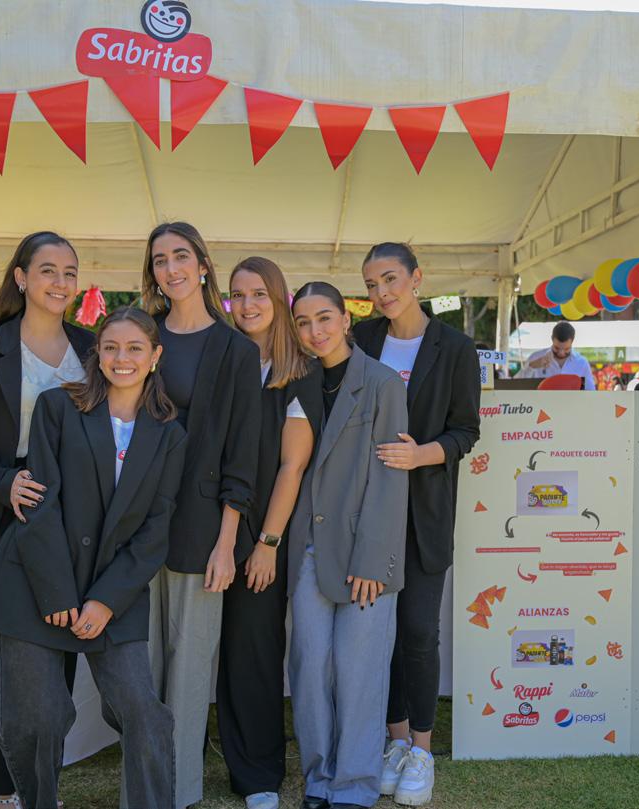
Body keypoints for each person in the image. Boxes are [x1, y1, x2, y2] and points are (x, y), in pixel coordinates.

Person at [0, 307, 185, 809]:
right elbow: (40, 505)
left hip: (113, 591)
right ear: (97, 355)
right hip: (35, 583)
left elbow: (155, 529)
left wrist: (105, 601)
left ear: (155, 356)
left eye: (135, 348)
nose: (122, 358)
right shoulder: (57, 407)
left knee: (143, 711)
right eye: (110, 347)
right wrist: (59, 594)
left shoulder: (169, 434)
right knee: (38, 718)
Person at [0, 232, 95, 809]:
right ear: (21, 277)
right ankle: (2, 789)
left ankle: (44, 786)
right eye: (48, 270)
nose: (60, 282)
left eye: (69, 272)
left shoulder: (93, 348)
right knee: (3, 668)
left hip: (74, 524)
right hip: (3, 520)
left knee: (60, 664)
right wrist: (4, 482)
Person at [354, 243, 481, 807]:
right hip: (367, 513)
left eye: (390, 279)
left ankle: (423, 752)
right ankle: (397, 741)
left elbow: (466, 431)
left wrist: (420, 454)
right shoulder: (362, 339)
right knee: (379, 634)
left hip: (425, 512)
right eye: (372, 284)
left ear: (416, 278)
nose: (382, 293)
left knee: (418, 633)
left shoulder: (455, 347)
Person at [141, 222, 262, 809]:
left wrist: (227, 542)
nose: (171, 269)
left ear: (203, 265)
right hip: (136, 523)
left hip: (202, 525)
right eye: (160, 260)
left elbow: (243, 453)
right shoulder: (139, 336)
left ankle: (178, 792)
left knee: (188, 669)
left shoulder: (236, 350)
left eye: (181, 256)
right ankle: (143, 786)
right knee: (136, 668)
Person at [289, 281, 409, 809]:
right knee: (310, 669)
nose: (315, 331)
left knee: (360, 673)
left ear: (345, 319)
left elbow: (390, 478)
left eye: (324, 318)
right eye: (303, 322)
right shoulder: (297, 382)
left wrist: (373, 560)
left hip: (364, 552)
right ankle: (318, 779)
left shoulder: (382, 383)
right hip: (307, 550)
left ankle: (355, 785)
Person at [219, 258, 322, 809]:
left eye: (259, 293)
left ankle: (259, 775)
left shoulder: (299, 372)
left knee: (254, 649)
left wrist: (267, 544)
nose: (248, 304)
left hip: (264, 529)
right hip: (212, 521)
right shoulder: (223, 360)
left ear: (280, 298)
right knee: (213, 648)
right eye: (237, 294)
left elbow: (292, 466)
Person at [517, 321, 596, 390]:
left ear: (572, 341)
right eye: (557, 348)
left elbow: (591, 391)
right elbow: (516, 385)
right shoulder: (536, 357)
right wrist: (531, 366)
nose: (561, 353)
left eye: (566, 349)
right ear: (552, 338)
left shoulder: (582, 363)